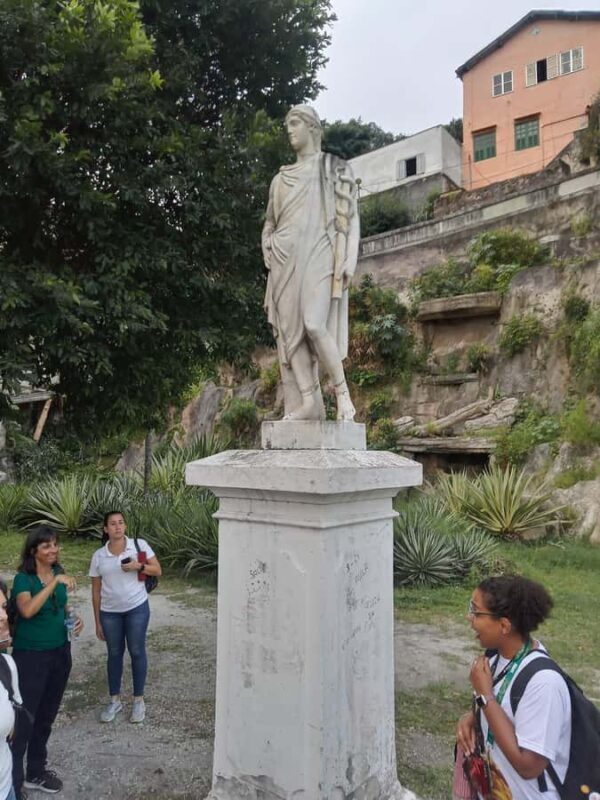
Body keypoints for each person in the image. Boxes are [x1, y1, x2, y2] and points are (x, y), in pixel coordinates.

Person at [262, 104, 360, 422]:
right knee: (291, 336)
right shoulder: (280, 180)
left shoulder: (335, 168)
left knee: (314, 324)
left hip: (319, 251)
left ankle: (343, 395)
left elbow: (351, 218)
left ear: (312, 127)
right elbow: (270, 223)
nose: (289, 130)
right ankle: (308, 402)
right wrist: (266, 242)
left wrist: (349, 260)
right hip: (283, 258)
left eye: (294, 123)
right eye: (287, 125)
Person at [456, 575, 571, 800]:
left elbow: (528, 766)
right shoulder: (495, 659)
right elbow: (506, 711)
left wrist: (485, 697)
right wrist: (474, 717)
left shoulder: (544, 683)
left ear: (504, 625)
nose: (469, 617)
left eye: (476, 612)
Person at [11, 527, 82, 799]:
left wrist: (73, 617)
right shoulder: (23, 579)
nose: (53, 550)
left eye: (55, 544)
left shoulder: (57, 571)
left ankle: (36, 771)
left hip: (59, 652)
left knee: (46, 716)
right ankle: (13, 782)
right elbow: (27, 610)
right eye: (46, 546)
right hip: (31, 657)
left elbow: (61, 605)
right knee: (25, 719)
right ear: (34, 551)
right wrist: (54, 582)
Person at [89, 511, 161, 724]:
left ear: (125, 526)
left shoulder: (138, 545)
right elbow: (95, 590)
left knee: (137, 650)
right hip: (110, 612)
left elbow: (157, 570)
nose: (117, 527)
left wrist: (139, 566)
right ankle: (114, 700)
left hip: (137, 607)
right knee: (114, 653)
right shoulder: (99, 556)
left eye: (121, 523)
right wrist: (97, 621)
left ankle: (138, 700)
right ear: (105, 529)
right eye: (112, 524)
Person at [1, 577, 22, 800]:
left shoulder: (7, 665)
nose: (4, 617)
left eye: (4, 607)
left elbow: (11, 731)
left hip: (6, 787)